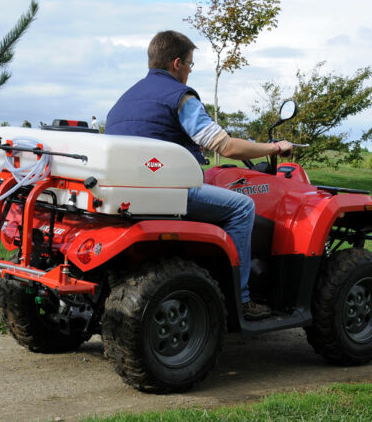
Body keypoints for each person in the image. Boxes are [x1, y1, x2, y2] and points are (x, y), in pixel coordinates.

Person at [105, 30, 293, 321]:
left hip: (129, 191)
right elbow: (225, 146)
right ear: (176, 63)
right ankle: (241, 299)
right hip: (169, 190)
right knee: (243, 207)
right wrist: (274, 146)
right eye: (191, 64)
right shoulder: (179, 97)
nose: (190, 71)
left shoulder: (126, 98)